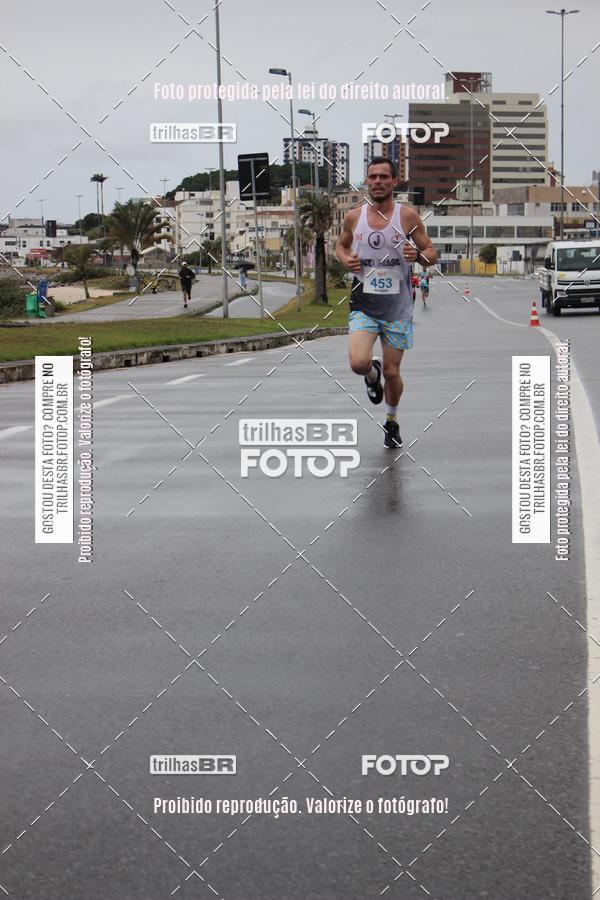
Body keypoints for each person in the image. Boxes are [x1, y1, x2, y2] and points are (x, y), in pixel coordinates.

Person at [335, 157, 437, 449]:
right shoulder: (354, 217)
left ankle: (391, 421)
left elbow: (431, 253)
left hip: (397, 307)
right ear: (366, 181)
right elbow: (340, 246)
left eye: (383, 177)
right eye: (372, 177)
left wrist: (416, 255)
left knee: (393, 372)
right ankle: (371, 374)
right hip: (363, 303)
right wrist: (346, 259)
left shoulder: (407, 217)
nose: (377, 181)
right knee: (357, 363)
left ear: (394, 182)